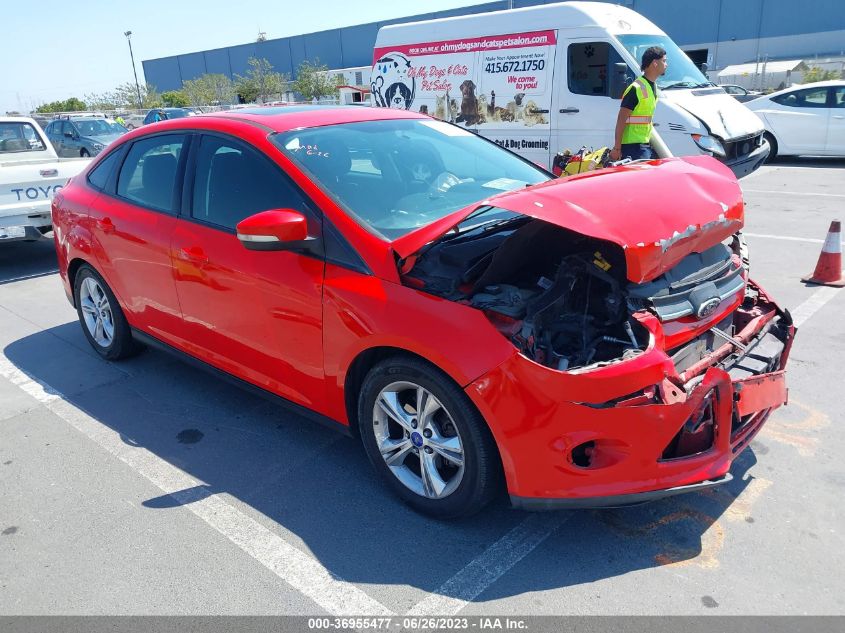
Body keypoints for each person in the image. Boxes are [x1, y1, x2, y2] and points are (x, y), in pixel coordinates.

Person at [609, 46, 667, 162]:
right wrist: (617, 148)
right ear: (655, 63)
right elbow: (621, 119)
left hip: (643, 144)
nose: (666, 64)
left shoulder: (652, 87)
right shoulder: (636, 88)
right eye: (664, 61)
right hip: (633, 147)